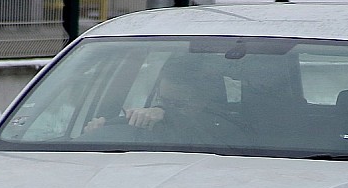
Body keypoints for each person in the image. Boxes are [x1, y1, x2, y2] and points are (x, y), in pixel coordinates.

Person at [82, 54, 245, 144]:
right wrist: (98, 133)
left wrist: (167, 114)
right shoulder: (148, 125)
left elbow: (200, 137)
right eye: (163, 100)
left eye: (178, 104)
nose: (165, 108)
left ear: (204, 100)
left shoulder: (231, 131)